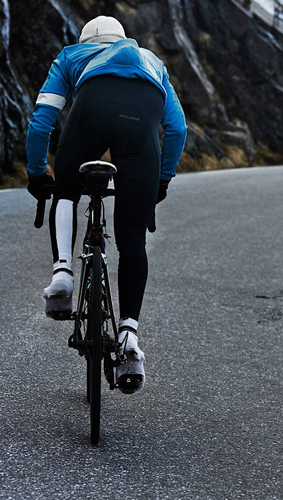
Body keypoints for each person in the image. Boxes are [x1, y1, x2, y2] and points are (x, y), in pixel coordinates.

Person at [26, 16, 187, 394]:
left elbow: (42, 120)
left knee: (66, 190)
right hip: (140, 123)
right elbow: (177, 130)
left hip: (91, 111)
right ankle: (129, 336)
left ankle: (63, 275)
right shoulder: (152, 63)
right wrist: (160, 180)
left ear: (87, 40)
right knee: (132, 234)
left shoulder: (71, 56)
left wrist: (37, 174)